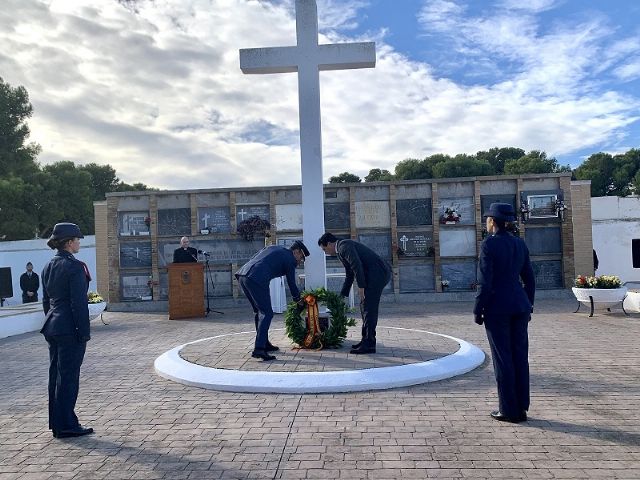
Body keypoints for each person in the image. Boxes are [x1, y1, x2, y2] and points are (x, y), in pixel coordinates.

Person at [474, 203, 535, 424]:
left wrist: (478, 309)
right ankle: (521, 407)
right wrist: (529, 305)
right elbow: (529, 278)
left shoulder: (489, 245)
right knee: (520, 357)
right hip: (520, 307)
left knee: (503, 359)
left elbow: (485, 281)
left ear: (492, 221)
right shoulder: (520, 244)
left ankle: (509, 410)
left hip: (497, 309)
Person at [40, 223, 94, 438]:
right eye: (77, 240)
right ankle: (67, 425)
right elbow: (78, 303)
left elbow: (46, 301)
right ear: (70, 242)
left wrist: (52, 320)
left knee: (56, 376)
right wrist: (84, 331)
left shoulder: (48, 266)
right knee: (69, 378)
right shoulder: (74, 267)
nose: (79, 243)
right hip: (70, 328)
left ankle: (58, 423)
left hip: (53, 326)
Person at [317, 233, 392, 354]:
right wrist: (342, 296)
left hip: (378, 274)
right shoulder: (341, 250)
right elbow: (350, 274)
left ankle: (369, 344)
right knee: (364, 307)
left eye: (324, 249)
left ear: (330, 243)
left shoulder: (344, 246)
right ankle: (366, 340)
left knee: (369, 308)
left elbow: (357, 265)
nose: (325, 252)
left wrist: (361, 286)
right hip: (373, 275)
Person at [235, 241, 310, 361]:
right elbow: (291, 284)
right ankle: (259, 349)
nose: (299, 261)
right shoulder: (290, 259)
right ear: (296, 252)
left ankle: (264, 343)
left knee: (258, 311)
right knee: (267, 313)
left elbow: (256, 258)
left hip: (243, 275)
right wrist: (298, 300)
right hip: (257, 278)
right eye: (301, 258)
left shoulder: (273, 248)